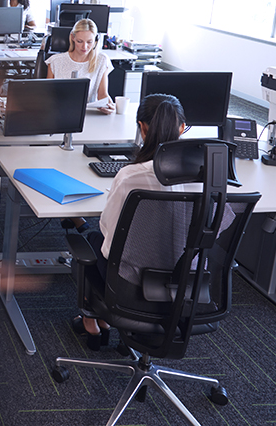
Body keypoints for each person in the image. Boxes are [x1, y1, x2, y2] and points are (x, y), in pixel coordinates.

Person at [73, 94, 235, 345]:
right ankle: (100, 321)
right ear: (182, 128)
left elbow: (110, 232)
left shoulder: (130, 177)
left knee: (92, 238)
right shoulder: (210, 177)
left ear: (141, 127)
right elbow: (220, 224)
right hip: (190, 289)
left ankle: (92, 322)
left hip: (132, 289)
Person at [46, 17, 115, 113]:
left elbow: (103, 94)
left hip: (88, 114)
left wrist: (108, 105)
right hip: (60, 112)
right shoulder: (55, 61)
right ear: (73, 37)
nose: (85, 47)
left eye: (89, 42)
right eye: (80, 41)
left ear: (95, 40)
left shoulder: (101, 60)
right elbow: (48, 94)